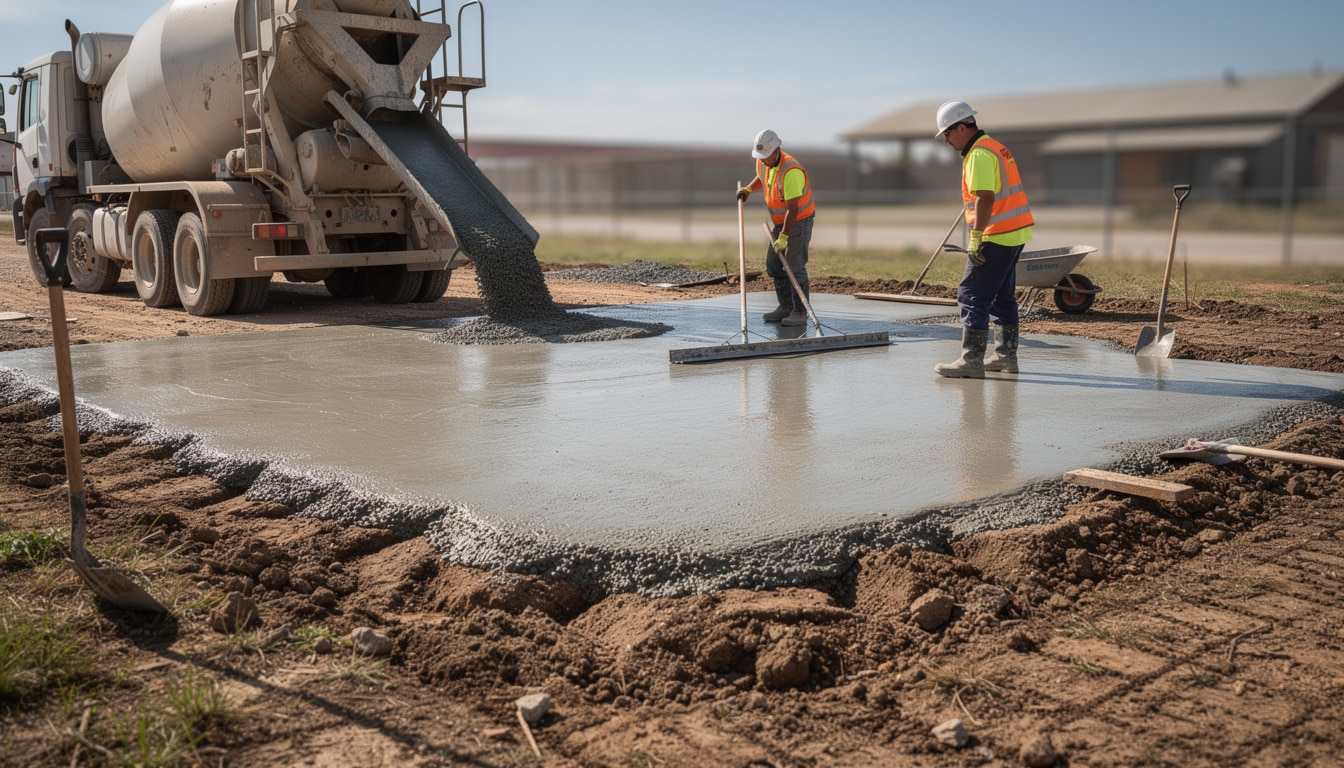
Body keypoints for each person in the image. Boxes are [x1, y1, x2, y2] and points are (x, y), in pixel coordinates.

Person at [932, 100, 1034, 378]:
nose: (946, 141)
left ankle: (971, 361)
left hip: (995, 235)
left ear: (962, 127)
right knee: (1002, 296)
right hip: (1014, 232)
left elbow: (986, 197)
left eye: (947, 134)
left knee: (971, 294)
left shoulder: (978, 154)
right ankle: (1005, 357)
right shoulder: (995, 147)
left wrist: (976, 236)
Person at [736, 129, 816, 326]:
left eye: (766, 156)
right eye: (760, 156)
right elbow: (762, 177)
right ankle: (785, 306)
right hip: (780, 221)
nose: (763, 160)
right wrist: (748, 189)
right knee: (773, 264)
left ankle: (800, 312)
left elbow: (793, 210)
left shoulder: (791, 172)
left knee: (794, 266)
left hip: (799, 220)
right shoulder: (764, 161)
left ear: (777, 150)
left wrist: (784, 237)